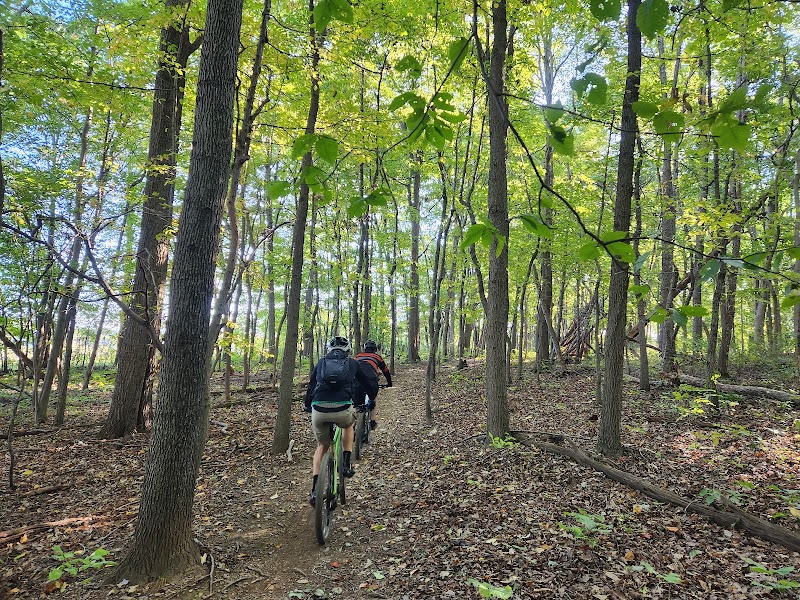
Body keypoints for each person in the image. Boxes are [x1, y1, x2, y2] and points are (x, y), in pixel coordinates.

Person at [303, 335, 377, 507]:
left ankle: (315, 490)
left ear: (329, 349)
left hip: (319, 409)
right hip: (342, 408)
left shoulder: (321, 362)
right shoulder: (353, 363)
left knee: (322, 446)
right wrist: (370, 400)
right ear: (348, 350)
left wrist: (307, 405)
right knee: (348, 425)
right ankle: (345, 464)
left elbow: (311, 385)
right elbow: (366, 384)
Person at [354, 339, 392, 432]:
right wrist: (389, 383)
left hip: (356, 380)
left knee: (356, 403)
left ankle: (354, 424)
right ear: (375, 349)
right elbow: (386, 371)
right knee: (373, 398)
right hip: (371, 380)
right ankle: (373, 421)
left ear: (364, 349)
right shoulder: (377, 357)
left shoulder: (357, 357)